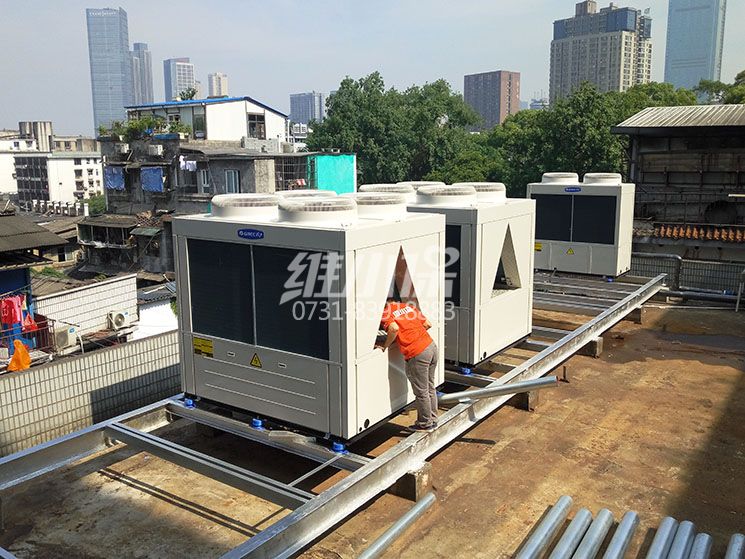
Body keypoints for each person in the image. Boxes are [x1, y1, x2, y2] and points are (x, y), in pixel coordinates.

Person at [378, 298, 439, 432]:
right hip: (431, 346)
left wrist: (386, 345)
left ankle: (425, 423)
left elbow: (393, 328)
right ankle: (433, 419)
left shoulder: (386, 311)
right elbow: (428, 324)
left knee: (421, 391)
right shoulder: (408, 306)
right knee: (430, 386)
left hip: (417, 353)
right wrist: (412, 335)